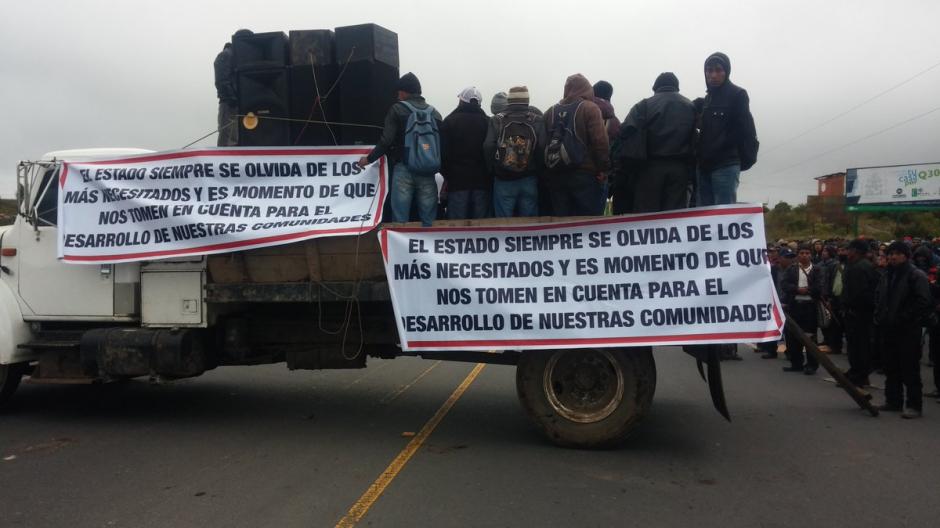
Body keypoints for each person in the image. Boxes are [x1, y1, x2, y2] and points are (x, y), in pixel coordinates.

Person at [358, 72, 443, 226]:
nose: (397, 96)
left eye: (399, 92)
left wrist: (368, 159)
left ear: (404, 92)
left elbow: (386, 140)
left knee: (400, 220)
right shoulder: (435, 114)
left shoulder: (397, 109)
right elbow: (441, 144)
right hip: (428, 170)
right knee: (429, 221)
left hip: (404, 169)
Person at [620, 72, 696, 213]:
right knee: (674, 216)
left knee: (646, 217)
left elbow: (625, 131)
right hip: (680, 169)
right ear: (677, 87)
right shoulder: (690, 106)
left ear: (655, 87)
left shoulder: (643, 105)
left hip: (649, 168)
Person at [874, 241, 932, 418]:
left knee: (910, 368)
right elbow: (879, 296)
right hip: (888, 327)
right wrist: (879, 315)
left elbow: (923, 301)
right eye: (891, 254)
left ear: (906, 256)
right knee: (891, 366)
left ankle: (914, 405)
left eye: (897, 254)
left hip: (908, 329)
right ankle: (893, 401)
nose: (893, 257)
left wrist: (905, 317)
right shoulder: (887, 274)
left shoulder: (916, 275)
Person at [695, 52, 759, 206]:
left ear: (726, 71)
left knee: (723, 214)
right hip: (703, 167)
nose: (713, 75)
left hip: (725, 165)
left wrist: (719, 148)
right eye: (709, 70)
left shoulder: (738, 94)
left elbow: (744, 130)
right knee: (703, 214)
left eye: (718, 70)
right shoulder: (706, 100)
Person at [543, 74, 610, 216]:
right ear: (587, 89)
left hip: (556, 175)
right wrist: (603, 169)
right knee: (586, 223)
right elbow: (600, 142)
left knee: (561, 223)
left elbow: (542, 143)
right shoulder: (590, 108)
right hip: (585, 174)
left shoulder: (550, 112)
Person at [483, 86, 546, 217]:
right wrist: (537, 169)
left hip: (503, 179)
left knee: (503, 222)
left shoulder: (497, 120)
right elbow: (542, 147)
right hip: (529, 177)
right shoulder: (537, 120)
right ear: (527, 100)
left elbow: (488, 146)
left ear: (509, 101)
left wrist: (493, 168)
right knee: (529, 222)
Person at [440, 86, 490, 219]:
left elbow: (443, 154)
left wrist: (449, 175)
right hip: (482, 182)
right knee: (481, 225)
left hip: (457, 182)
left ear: (461, 101)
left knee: (457, 226)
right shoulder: (488, 122)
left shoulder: (449, 121)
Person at [841, 239, 879, 387]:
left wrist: (849, 306)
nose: (847, 252)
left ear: (855, 251)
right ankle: (857, 371)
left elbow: (859, 293)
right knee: (857, 345)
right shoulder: (860, 265)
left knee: (859, 345)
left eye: (849, 249)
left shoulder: (859, 267)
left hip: (858, 313)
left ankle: (859, 375)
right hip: (860, 312)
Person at [781, 245, 822, 374]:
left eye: (807, 253)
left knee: (810, 337)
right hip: (794, 306)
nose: (804, 255)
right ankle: (796, 363)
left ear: (811, 255)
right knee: (793, 336)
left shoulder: (817, 269)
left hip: (810, 307)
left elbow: (820, 286)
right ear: (798, 255)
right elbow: (784, 284)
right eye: (802, 253)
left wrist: (807, 290)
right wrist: (797, 289)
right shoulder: (792, 269)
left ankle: (812, 365)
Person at [214, 29, 253, 146]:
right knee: (228, 139)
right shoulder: (226, 55)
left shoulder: (238, 57)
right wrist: (232, 99)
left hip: (237, 104)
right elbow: (221, 81)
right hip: (230, 105)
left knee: (235, 139)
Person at [819, 244, 844, 355]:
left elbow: (833, 280)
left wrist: (829, 296)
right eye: (823, 251)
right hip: (822, 293)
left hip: (830, 295)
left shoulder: (834, 265)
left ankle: (834, 343)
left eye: (826, 251)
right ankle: (827, 339)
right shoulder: (819, 264)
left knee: (832, 320)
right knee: (823, 318)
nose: (823, 253)